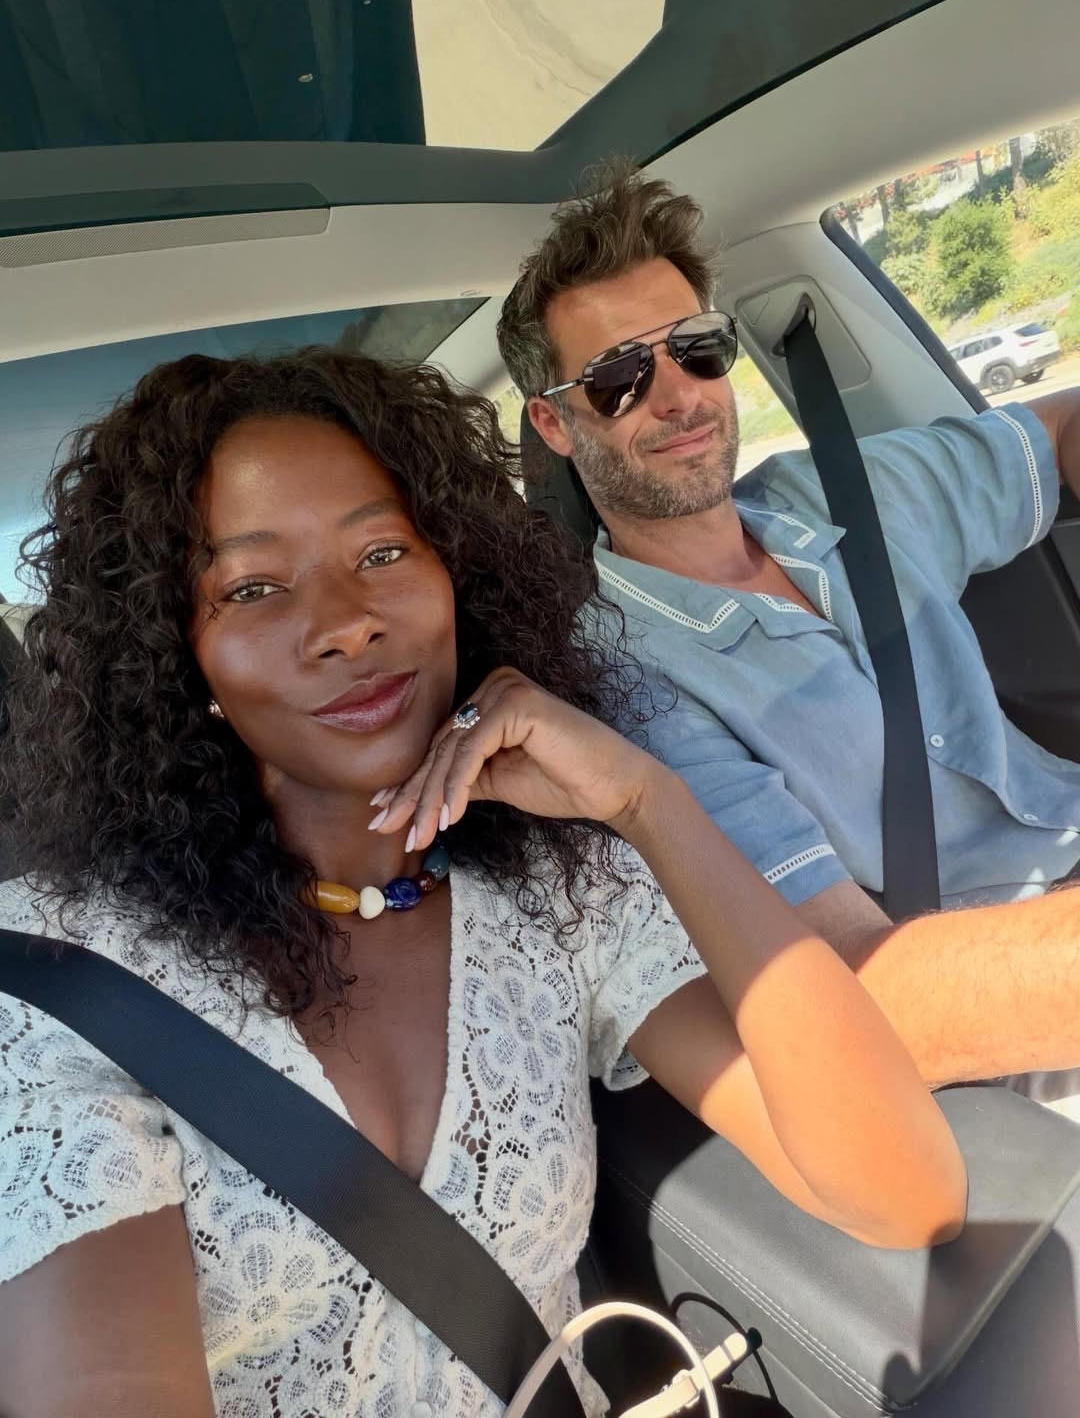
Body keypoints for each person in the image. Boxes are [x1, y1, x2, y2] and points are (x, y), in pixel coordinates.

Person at [0, 350, 964, 1417]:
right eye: (255, 587)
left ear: (456, 571)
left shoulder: (567, 890)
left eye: (381, 550)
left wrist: (650, 803)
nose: (347, 622)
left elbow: (906, 1192)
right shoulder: (60, 977)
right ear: (181, 661)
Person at [497, 161, 1080, 1101]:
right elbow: (850, 988)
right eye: (618, 378)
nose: (679, 394)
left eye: (696, 347)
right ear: (555, 426)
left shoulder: (833, 490)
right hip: (1002, 1029)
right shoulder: (619, 682)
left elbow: (1051, 436)